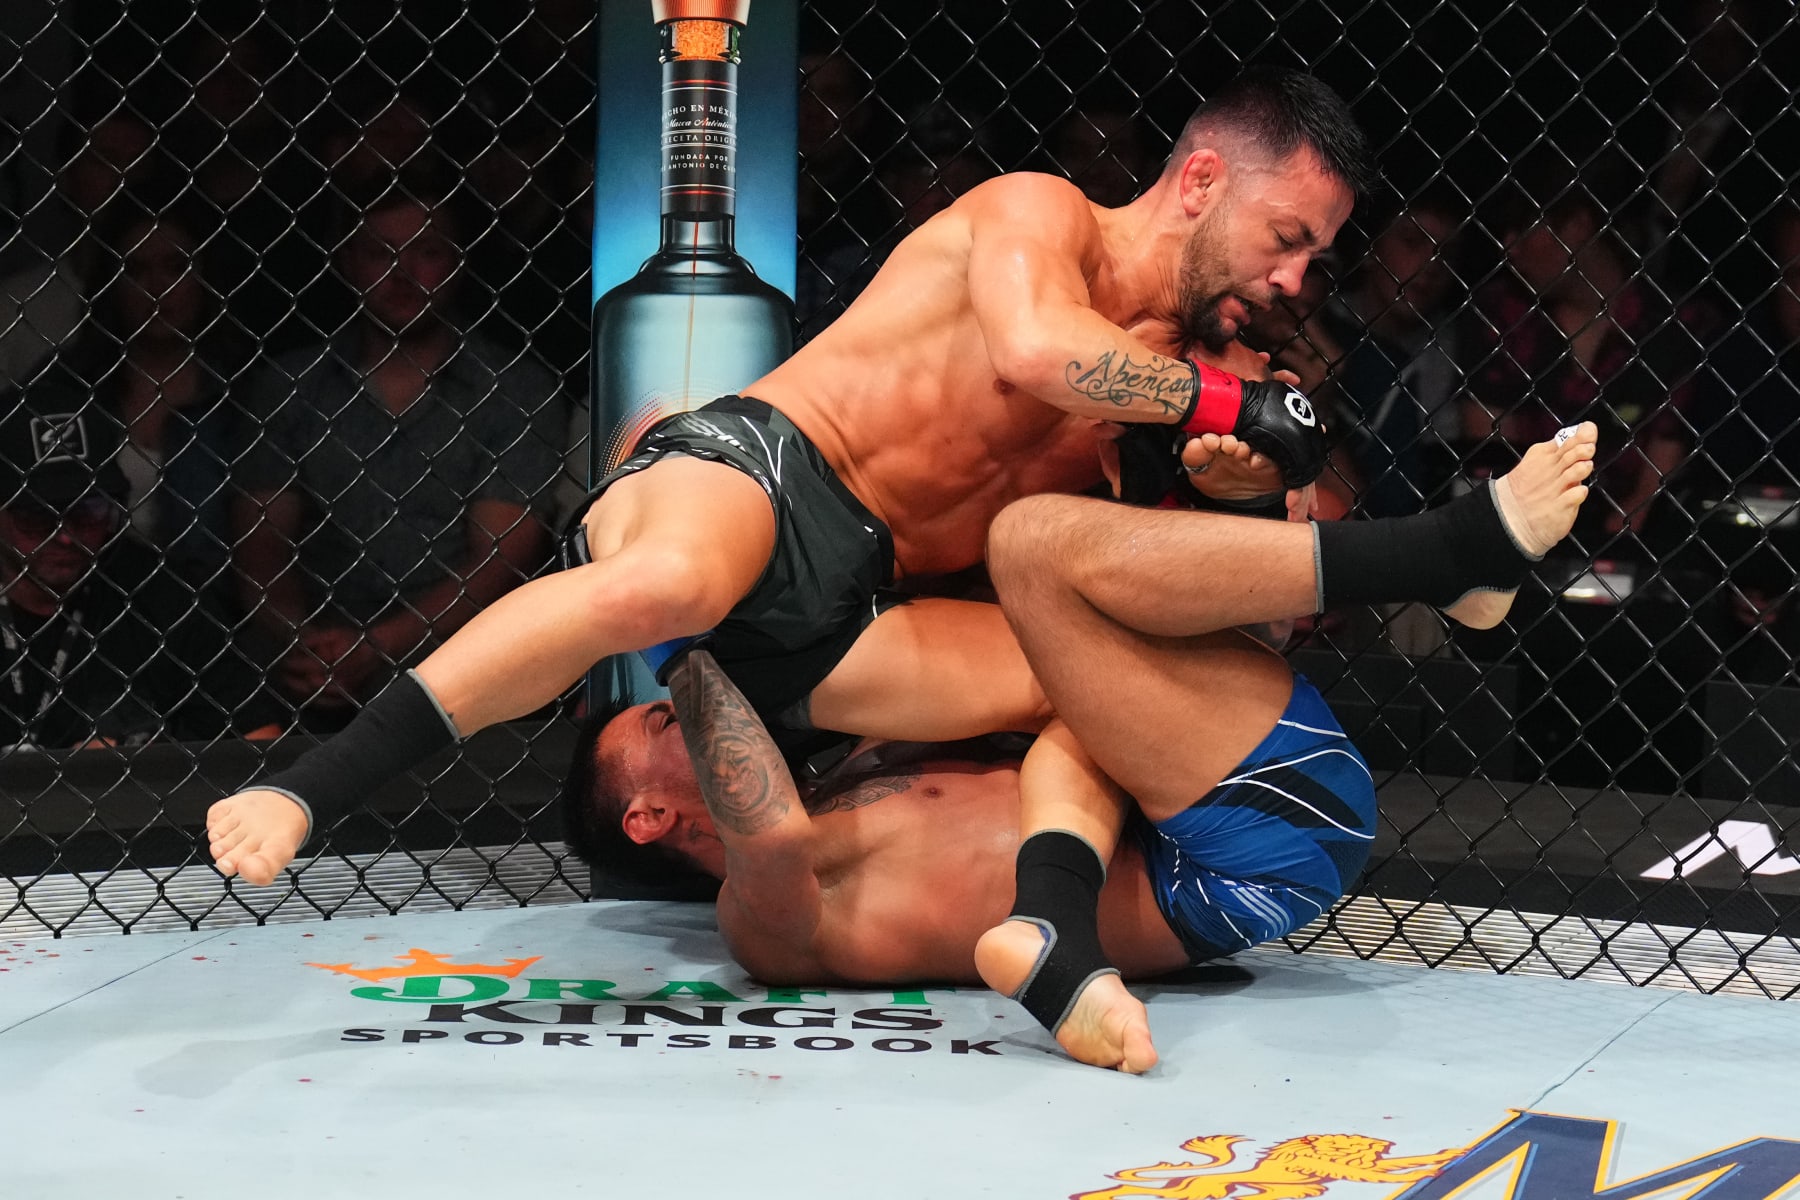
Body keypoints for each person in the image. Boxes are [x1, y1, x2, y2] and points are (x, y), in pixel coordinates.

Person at [207, 67, 1374, 887]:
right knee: (665, 582)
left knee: (1099, 674)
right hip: (774, 471)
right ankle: (310, 789)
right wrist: (1232, 403)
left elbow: (1179, 566)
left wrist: (1229, 489)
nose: (1296, 276)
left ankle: (1052, 922)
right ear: (1204, 179)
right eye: (1288, 236)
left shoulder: (1174, 379)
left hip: (868, 614)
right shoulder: (1041, 213)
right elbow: (1034, 352)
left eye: (1317, 258)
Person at [545, 424, 1598, 1072]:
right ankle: (1446, 556)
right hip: (1250, 857)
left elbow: (1066, 687)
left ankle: (1055, 932)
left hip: (1221, 806)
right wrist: (672, 631)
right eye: (654, 722)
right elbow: (762, 821)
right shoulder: (767, 926)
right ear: (646, 817)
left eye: (664, 697)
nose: (680, 704)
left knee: (1055, 635)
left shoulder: (865, 763)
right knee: (1034, 550)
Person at [230, 182, 566, 724]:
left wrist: (376, 646)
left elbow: (499, 562)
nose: (402, 271)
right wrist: (309, 642)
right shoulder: (290, 385)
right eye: (379, 252)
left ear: (458, 262)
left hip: (468, 668)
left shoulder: (517, 390)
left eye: (426, 251)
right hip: (307, 664)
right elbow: (260, 545)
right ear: (345, 263)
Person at [0, 383, 275, 748]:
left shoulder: (161, 594)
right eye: (37, 517)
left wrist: (146, 765)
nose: (64, 537)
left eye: (88, 512)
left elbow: (262, 737)